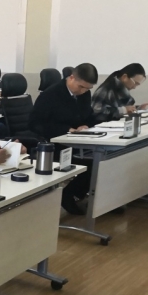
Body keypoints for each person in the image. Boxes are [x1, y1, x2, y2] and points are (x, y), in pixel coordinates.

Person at [29, 63, 99, 214]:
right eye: (81, 87)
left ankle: (77, 195)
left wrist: (86, 125)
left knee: (103, 158)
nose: (83, 91)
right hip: (55, 144)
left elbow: (89, 116)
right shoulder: (50, 95)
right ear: (71, 78)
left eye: (88, 89)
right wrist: (67, 129)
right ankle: (68, 195)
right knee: (94, 162)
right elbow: (35, 124)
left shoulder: (84, 94)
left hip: (79, 141)